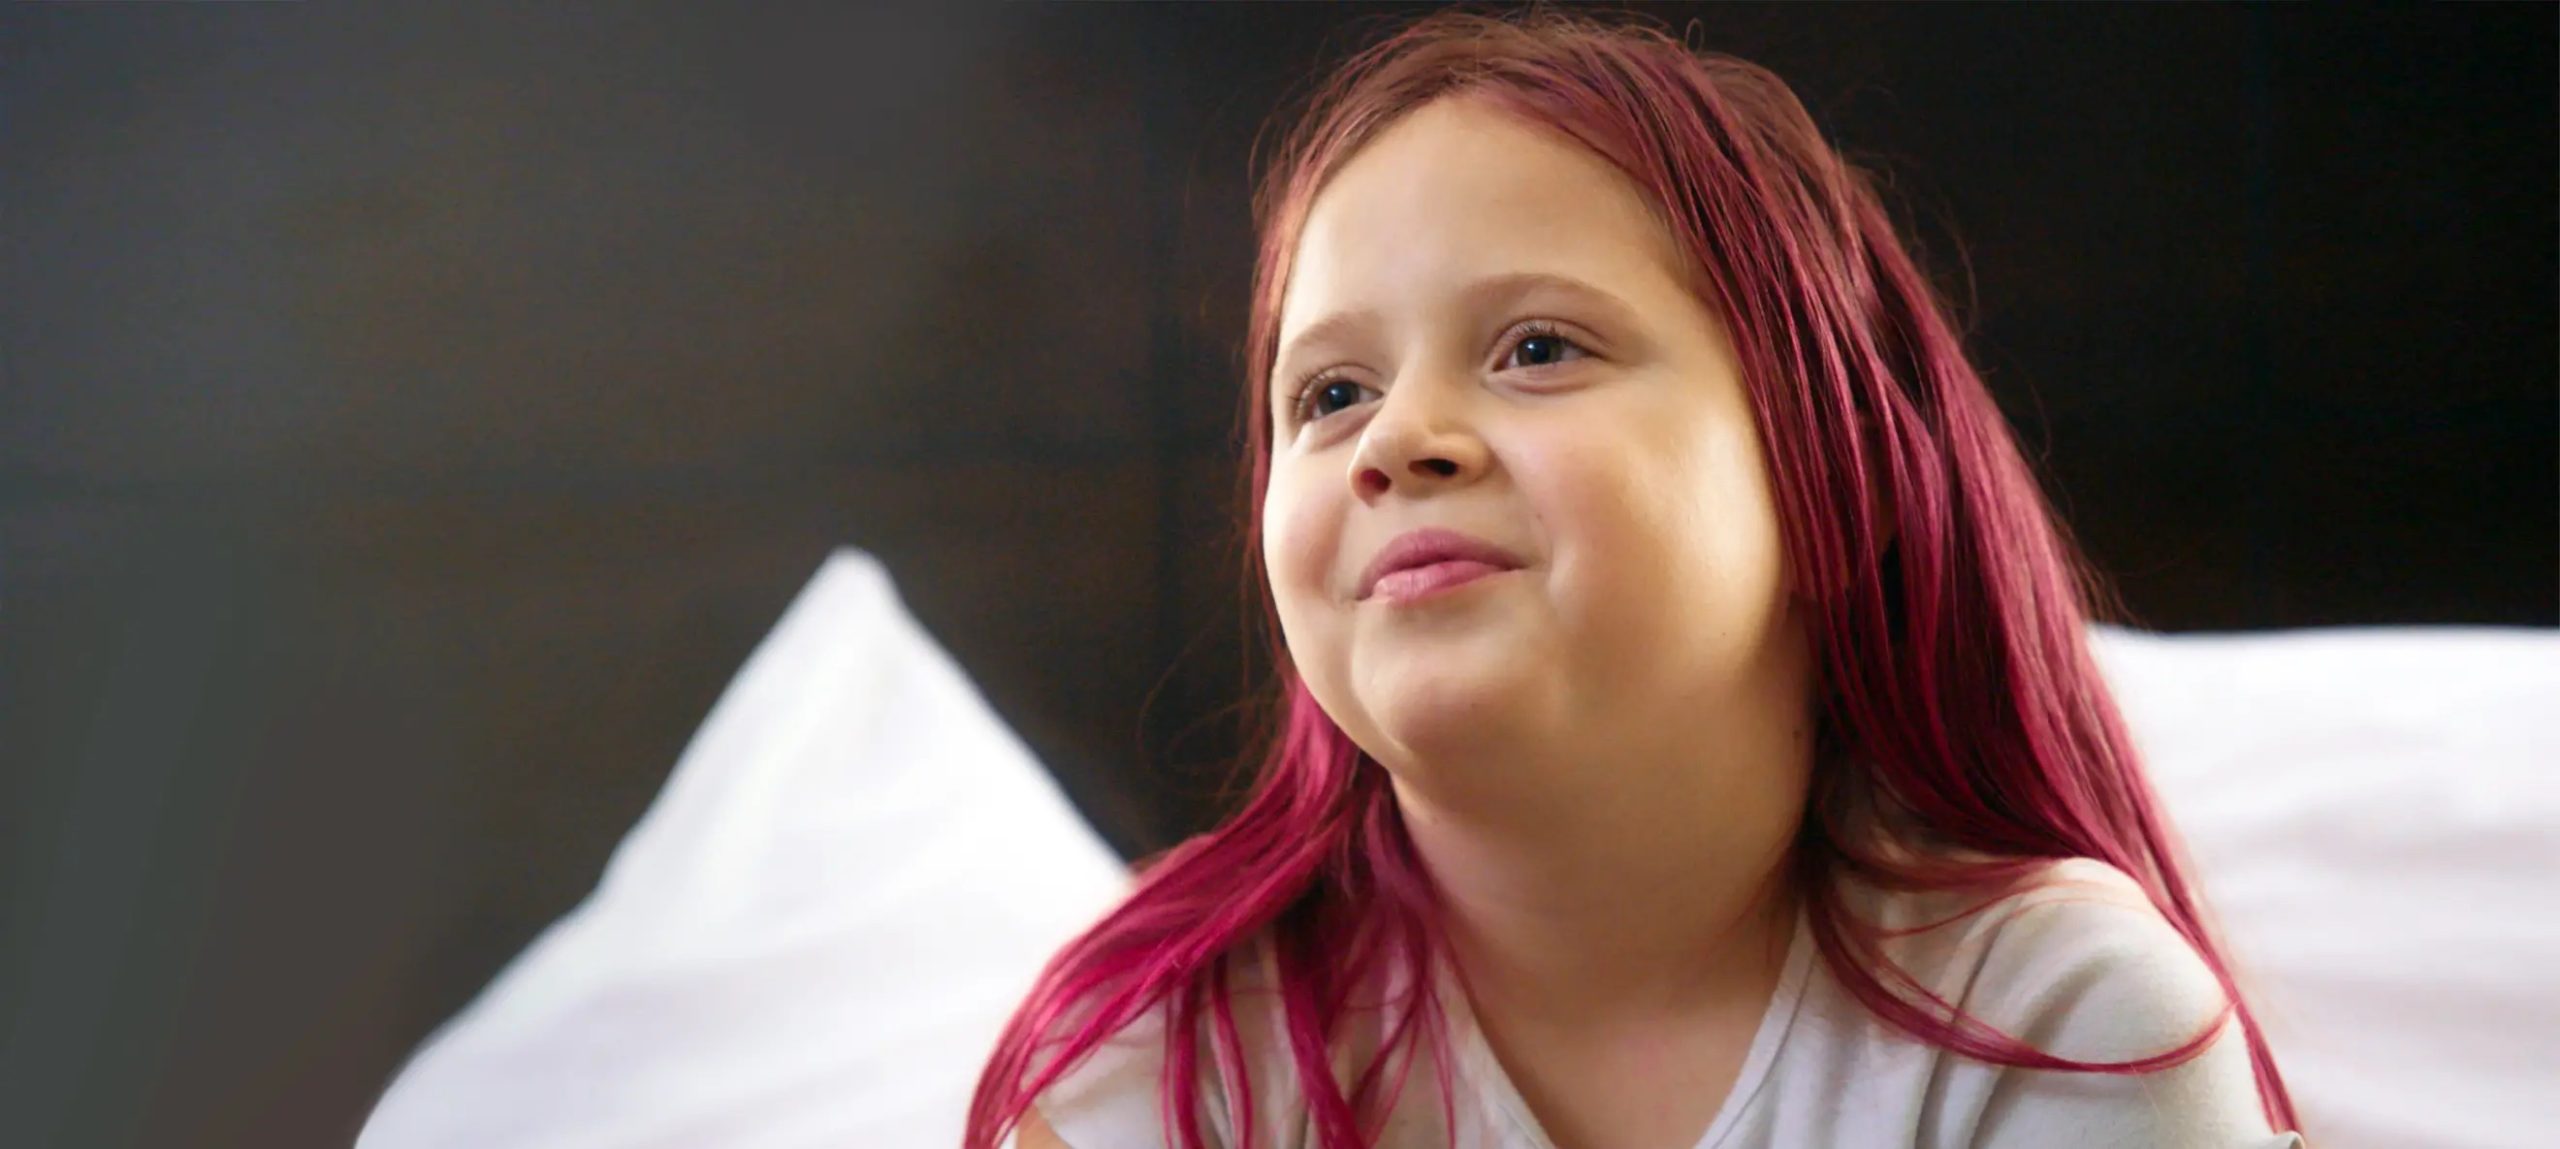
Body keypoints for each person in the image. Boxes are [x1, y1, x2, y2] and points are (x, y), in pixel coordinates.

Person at [968, 9, 2302, 1148]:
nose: (1396, 440)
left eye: (1539, 347)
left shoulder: (2059, 1023)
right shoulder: (1161, 1064)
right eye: (1330, 392)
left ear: (1827, 476)